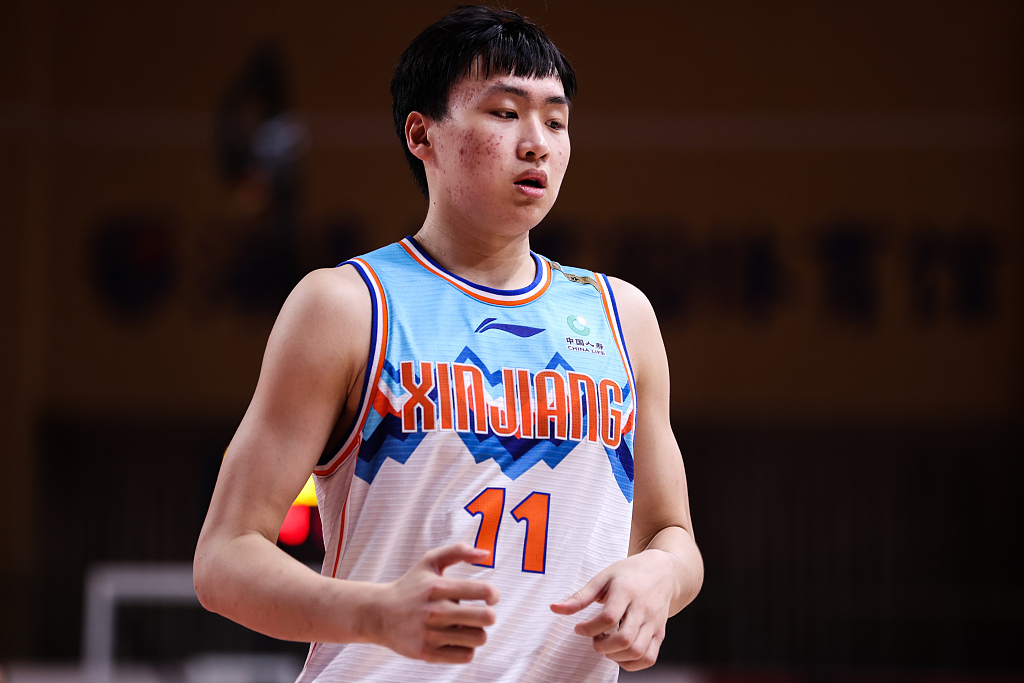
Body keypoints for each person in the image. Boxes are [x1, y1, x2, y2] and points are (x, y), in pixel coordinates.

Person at [193, 6, 703, 682]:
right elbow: (224, 557)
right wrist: (375, 613)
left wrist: (659, 575)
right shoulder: (346, 306)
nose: (537, 143)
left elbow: (673, 535)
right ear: (421, 134)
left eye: (556, 122)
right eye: (505, 113)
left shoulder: (622, 316)